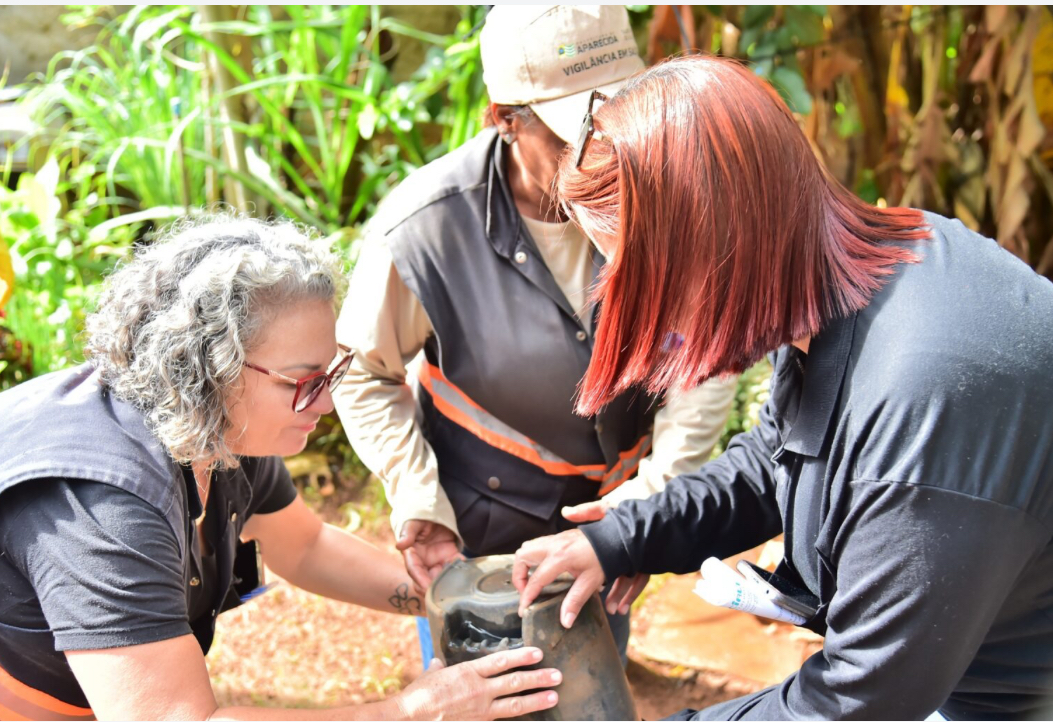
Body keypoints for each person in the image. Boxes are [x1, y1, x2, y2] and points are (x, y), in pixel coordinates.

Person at [512, 55, 1053, 719]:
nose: (637, 308)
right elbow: (778, 459)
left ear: (713, 246)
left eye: (635, 278)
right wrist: (622, 537)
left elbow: (855, 702)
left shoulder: (926, 406)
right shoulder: (868, 273)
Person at [0, 217, 560, 721]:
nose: (326, 404)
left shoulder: (217, 430)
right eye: (304, 382)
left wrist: (454, 595)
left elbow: (305, 547)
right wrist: (408, 712)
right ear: (210, 367)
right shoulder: (104, 504)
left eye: (331, 374)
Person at [332, 4, 737, 660]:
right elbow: (361, 371)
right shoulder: (424, 232)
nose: (604, 152)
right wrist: (416, 496)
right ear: (505, 118)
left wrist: (646, 511)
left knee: (596, 684)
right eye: (575, 132)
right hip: (480, 541)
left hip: (609, 532)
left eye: (619, 119)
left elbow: (705, 358)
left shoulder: (671, 200)